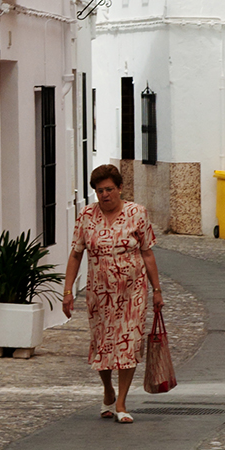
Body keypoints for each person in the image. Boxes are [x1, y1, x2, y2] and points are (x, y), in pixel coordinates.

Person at [62, 164, 164, 423]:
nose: (104, 195)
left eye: (109, 189)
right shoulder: (86, 216)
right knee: (103, 345)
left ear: (119, 188)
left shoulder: (137, 213)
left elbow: (147, 252)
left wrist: (156, 290)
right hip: (100, 292)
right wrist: (68, 291)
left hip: (132, 290)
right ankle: (108, 389)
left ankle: (121, 403)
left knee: (129, 343)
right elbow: (76, 254)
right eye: (99, 191)